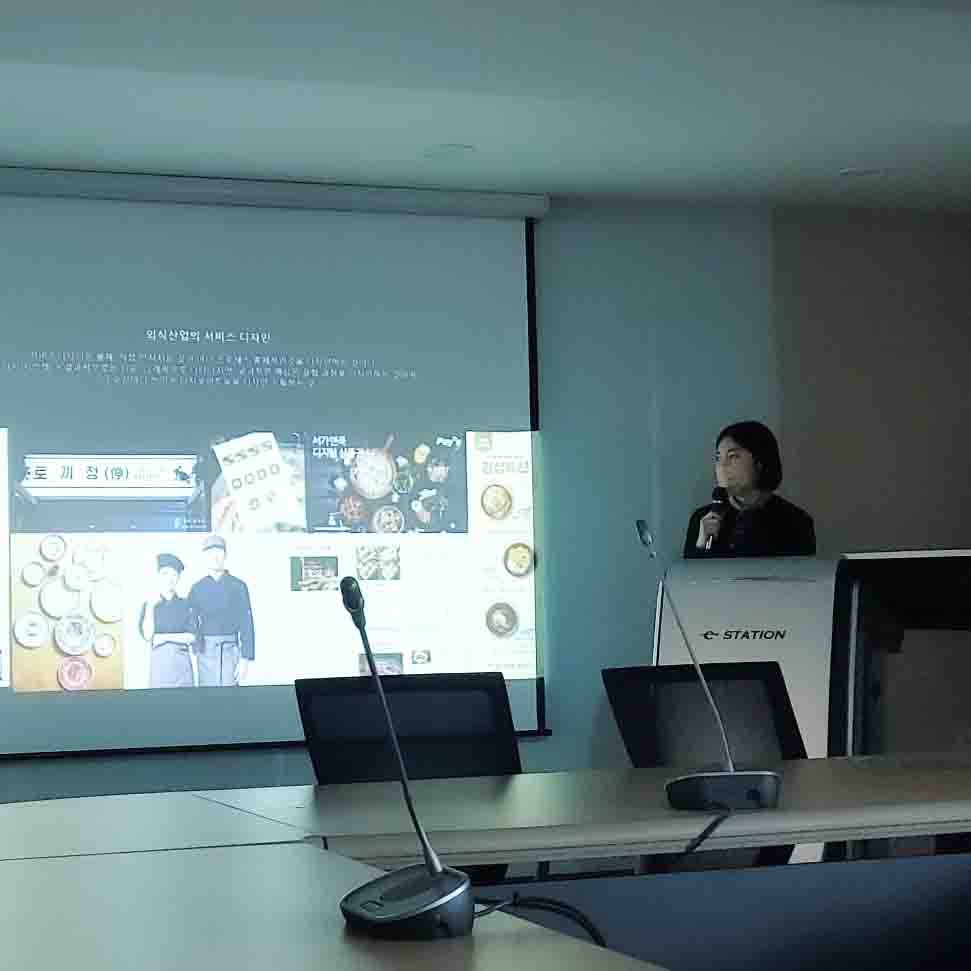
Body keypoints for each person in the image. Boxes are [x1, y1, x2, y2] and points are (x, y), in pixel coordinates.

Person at [684, 421, 815, 558]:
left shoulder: (797, 522)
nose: (722, 466)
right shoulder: (702, 519)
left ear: (760, 462)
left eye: (733, 456)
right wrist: (701, 543)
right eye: (718, 458)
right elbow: (688, 571)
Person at [188, 534, 255, 686]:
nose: (215, 557)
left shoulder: (238, 586)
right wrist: (196, 647)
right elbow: (190, 621)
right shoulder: (197, 588)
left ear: (226, 555)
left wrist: (245, 660)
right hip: (205, 653)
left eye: (219, 552)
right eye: (210, 553)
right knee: (207, 696)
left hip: (230, 650)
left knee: (229, 696)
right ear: (204, 556)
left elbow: (246, 623)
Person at [138, 553, 197, 688]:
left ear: (178, 578)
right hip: (159, 665)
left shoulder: (186, 604)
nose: (169, 579)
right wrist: (150, 608)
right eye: (165, 573)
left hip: (182, 665)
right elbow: (148, 636)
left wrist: (164, 638)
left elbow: (192, 637)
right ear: (158, 576)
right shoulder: (149, 605)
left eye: (174, 574)